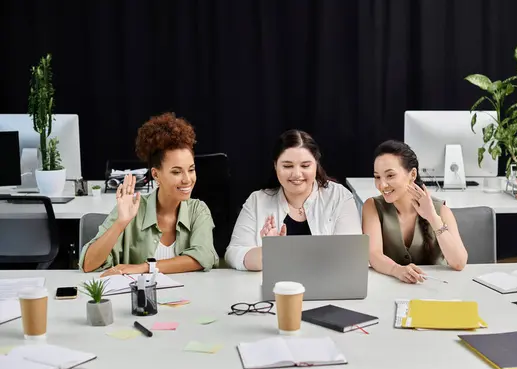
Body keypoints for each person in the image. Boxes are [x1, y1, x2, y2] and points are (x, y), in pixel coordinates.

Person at [79, 112, 219, 276]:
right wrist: (121, 223)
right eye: (176, 172)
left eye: (191, 169)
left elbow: (203, 257)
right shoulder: (132, 209)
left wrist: (144, 268)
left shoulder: (198, 210)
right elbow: (88, 265)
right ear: (155, 175)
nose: (187, 180)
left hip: (185, 300)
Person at [225, 129, 362, 271]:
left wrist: (285, 256)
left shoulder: (339, 197)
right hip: (275, 290)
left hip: (329, 287)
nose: (296, 174)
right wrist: (269, 252)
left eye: (305, 166)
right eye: (287, 166)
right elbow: (234, 254)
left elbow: (351, 255)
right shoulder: (257, 201)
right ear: (275, 166)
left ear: (316, 164)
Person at [362, 140, 468, 283]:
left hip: (437, 290)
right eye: (377, 177)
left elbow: (459, 262)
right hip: (391, 289)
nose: (382, 184)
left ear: (412, 174)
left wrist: (432, 217)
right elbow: (374, 254)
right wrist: (396, 270)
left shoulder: (441, 210)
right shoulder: (372, 206)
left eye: (390, 175)